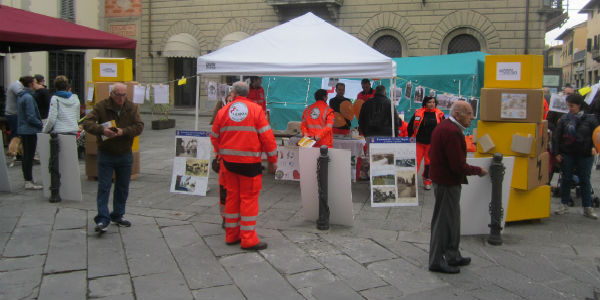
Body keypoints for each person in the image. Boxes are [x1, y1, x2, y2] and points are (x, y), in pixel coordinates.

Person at [211, 81, 277, 250]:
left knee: (232, 198)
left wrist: (221, 154)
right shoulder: (256, 110)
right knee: (248, 200)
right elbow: (267, 137)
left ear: (233, 93)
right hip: (250, 165)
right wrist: (272, 159)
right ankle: (248, 239)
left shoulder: (223, 111)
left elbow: (214, 136)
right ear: (247, 93)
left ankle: (231, 235)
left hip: (228, 164)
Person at [428, 101, 488, 274]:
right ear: (457, 114)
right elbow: (457, 166)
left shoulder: (446, 127)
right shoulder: (452, 132)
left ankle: (452, 255)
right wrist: (478, 170)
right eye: (468, 113)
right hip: (446, 182)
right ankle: (436, 261)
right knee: (443, 222)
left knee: (452, 220)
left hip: (445, 180)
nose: (472, 117)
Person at [83, 82, 144, 233]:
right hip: (106, 153)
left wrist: (123, 131)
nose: (122, 98)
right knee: (104, 187)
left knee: (122, 187)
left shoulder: (132, 107)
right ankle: (103, 219)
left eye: (124, 95)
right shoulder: (101, 106)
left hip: (125, 152)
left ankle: (118, 214)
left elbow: (139, 126)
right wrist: (103, 130)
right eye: (118, 95)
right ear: (112, 94)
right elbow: (87, 123)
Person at [553, 94, 598, 219]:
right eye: (568, 106)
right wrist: (556, 153)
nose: (570, 108)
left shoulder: (590, 119)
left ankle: (587, 207)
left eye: (572, 106)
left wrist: (595, 147)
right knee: (566, 179)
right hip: (568, 153)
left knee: (585, 180)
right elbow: (557, 137)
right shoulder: (564, 119)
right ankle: (564, 204)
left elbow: (596, 134)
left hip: (585, 154)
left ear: (579, 105)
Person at [407, 96, 445, 190]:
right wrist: (410, 138)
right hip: (418, 142)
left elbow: (444, 129)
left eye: (433, 102)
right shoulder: (418, 113)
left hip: (432, 144)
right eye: (429, 102)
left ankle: (427, 180)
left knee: (429, 163)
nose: (432, 104)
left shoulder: (440, 114)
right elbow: (410, 126)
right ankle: (410, 180)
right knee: (415, 162)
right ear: (425, 103)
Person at [17, 76, 43, 190]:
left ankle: (28, 179)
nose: (36, 84)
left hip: (24, 129)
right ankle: (28, 180)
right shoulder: (28, 97)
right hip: (29, 130)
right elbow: (31, 116)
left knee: (26, 155)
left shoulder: (22, 96)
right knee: (29, 155)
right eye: (35, 82)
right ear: (31, 84)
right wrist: (40, 124)